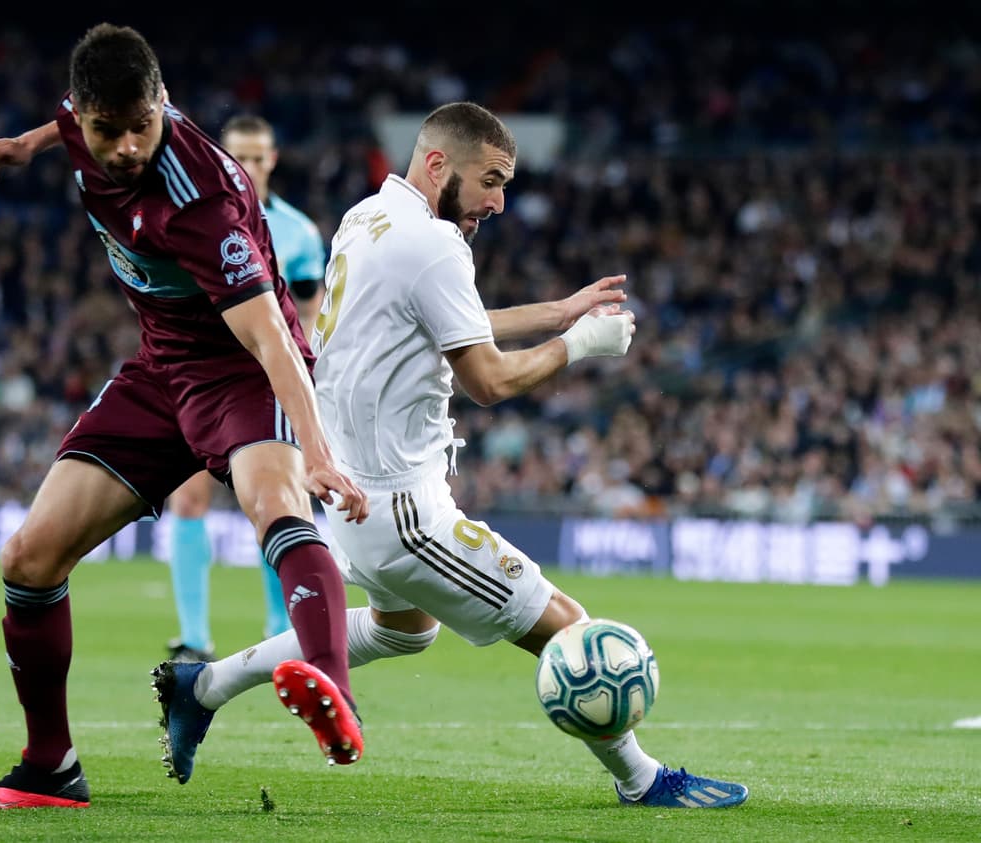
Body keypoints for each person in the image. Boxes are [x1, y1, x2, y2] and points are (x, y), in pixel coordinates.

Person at [154, 102, 750, 809]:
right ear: (438, 165)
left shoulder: (366, 218)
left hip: (356, 497)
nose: (497, 202)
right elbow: (487, 380)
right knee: (569, 628)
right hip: (405, 513)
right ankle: (641, 779)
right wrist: (579, 345)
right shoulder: (434, 244)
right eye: (490, 181)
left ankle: (203, 685)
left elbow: (445, 317)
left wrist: (556, 311)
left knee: (404, 632)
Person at [0, 24, 369, 811]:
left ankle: (334, 691)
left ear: (163, 101)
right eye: (107, 130)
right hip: (160, 369)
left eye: (142, 125)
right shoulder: (83, 120)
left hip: (241, 371)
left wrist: (316, 451)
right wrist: (24, 145)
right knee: (29, 558)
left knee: (275, 502)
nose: (128, 147)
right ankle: (50, 767)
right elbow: (66, 121)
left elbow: (272, 340)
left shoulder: (200, 201)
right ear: (83, 113)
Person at [165, 114, 329, 664]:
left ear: (273, 159)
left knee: (273, 504)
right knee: (188, 498)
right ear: (221, 157)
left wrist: (301, 377)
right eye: (240, 156)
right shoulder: (194, 215)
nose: (250, 166)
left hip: (264, 382)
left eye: (259, 157)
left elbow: (310, 313)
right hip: (201, 377)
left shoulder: (299, 232)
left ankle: (281, 631)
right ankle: (193, 637)